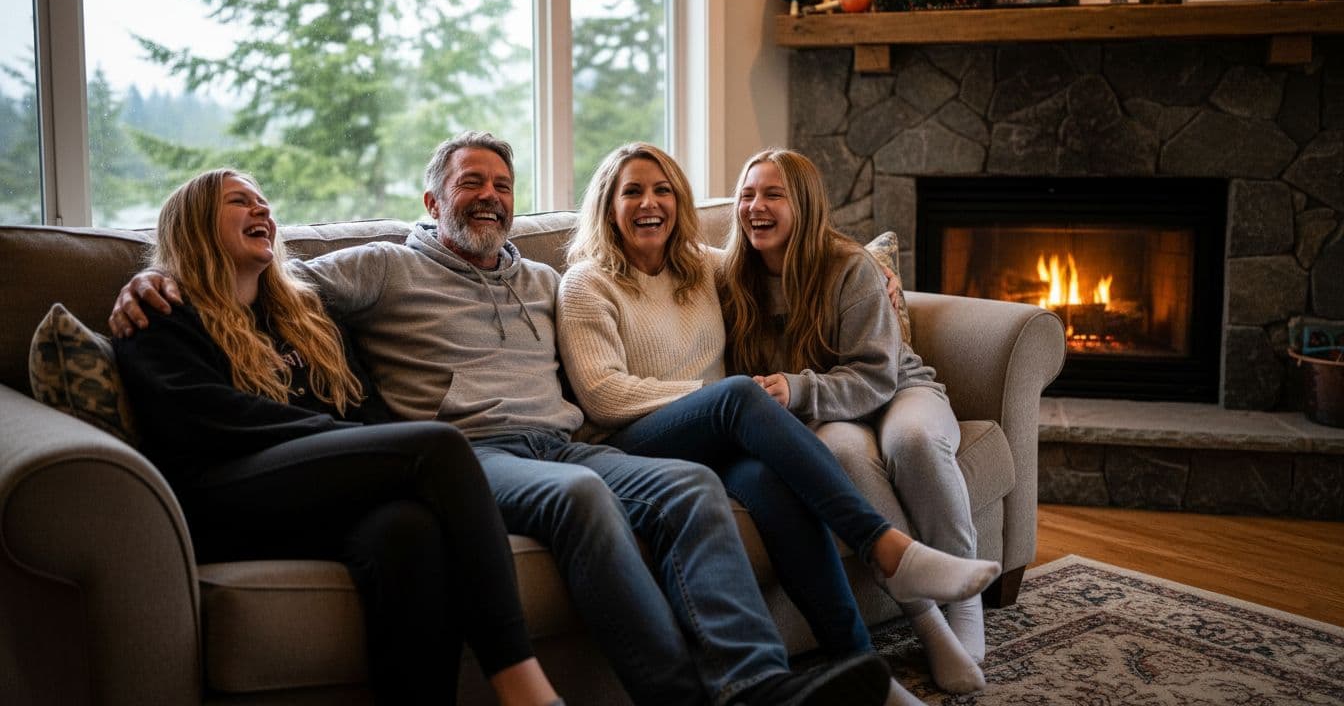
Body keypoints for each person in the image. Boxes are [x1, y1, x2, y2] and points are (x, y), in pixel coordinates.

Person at [109, 134, 893, 706]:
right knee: (581, 500)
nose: (489, 197)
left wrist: (869, 267)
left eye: (502, 185)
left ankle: (755, 688)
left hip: (567, 443)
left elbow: (704, 265)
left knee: (688, 485)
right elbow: (271, 282)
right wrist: (150, 281)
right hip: (468, 457)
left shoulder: (550, 279)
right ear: (432, 201)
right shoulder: (384, 265)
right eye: (470, 183)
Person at [556, 143, 999, 700]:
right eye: (632, 192)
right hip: (633, 441)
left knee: (774, 490)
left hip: (714, 438)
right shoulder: (585, 285)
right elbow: (603, 396)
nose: (650, 203)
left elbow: (794, 258)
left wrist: (875, 272)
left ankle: (866, 673)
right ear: (606, 206)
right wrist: (715, 397)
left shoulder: (702, 267)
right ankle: (887, 549)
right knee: (742, 395)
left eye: (662, 189)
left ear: (680, 202)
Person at [111, 169, 559, 706]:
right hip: (225, 491)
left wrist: (361, 446)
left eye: (264, 202)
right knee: (438, 445)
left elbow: (361, 403)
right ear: (194, 225)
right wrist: (353, 444)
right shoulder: (162, 311)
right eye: (239, 202)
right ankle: (527, 689)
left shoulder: (304, 314)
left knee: (407, 529)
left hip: (312, 491)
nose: (262, 212)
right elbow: (206, 418)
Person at [718, 148, 993, 690]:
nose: (756, 207)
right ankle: (926, 618)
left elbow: (876, 376)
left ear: (804, 205)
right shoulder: (732, 275)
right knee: (841, 454)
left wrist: (797, 387)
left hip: (894, 390)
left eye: (773, 194)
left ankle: (965, 597)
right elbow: (679, 251)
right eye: (747, 195)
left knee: (913, 442)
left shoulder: (848, 267)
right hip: (824, 416)